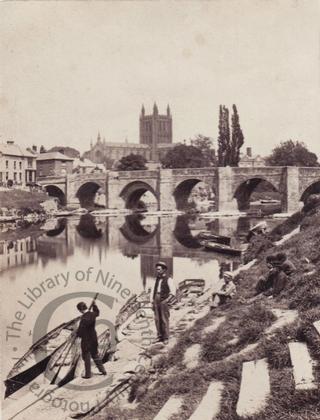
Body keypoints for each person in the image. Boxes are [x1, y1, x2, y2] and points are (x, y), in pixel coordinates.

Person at [76, 300, 106, 379]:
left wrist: (77, 334)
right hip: (93, 338)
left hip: (86, 340)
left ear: (80, 310)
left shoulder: (83, 319)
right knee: (95, 354)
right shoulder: (92, 314)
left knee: (86, 357)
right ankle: (103, 370)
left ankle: (88, 374)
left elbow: (80, 331)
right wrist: (94, 305)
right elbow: (97, 312)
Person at [152, 261, 176, 345]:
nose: (157, 271)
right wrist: (152, 301)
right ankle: (159, 336)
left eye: (159, 269)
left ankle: (166, 337)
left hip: (163, 300)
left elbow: (173, 292)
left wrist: (167, 300)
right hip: (156, 299)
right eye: (157, 269)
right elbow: (154, 290)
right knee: (157, 319)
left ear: (164, 270)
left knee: (164, 319)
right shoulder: (157, 279)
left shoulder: (169, 279)